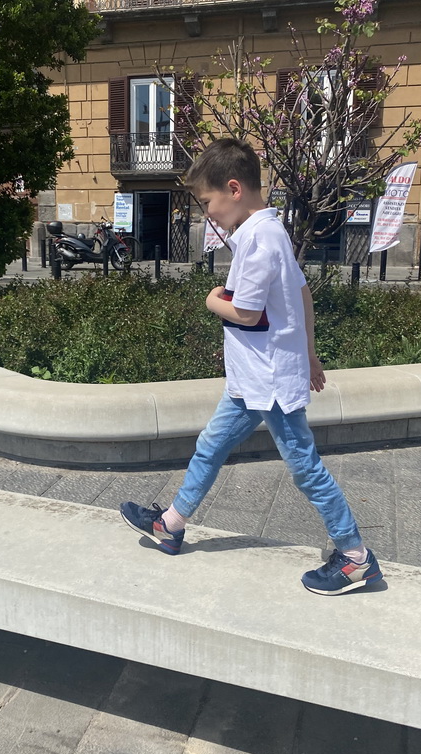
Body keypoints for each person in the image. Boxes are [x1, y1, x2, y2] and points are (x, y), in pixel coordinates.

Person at [119, 137, 382, 596]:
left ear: (234, 188)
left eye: (207, 202)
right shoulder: (267, 232)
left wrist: (210, 299)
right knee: (210, 445)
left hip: (270, 382)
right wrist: (311, 353)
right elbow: (301, 295)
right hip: (252, 378)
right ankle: (171, 525)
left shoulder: (259, 239)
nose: (208, 214)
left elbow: (248, 313)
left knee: (304, 467)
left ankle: (355, 558)